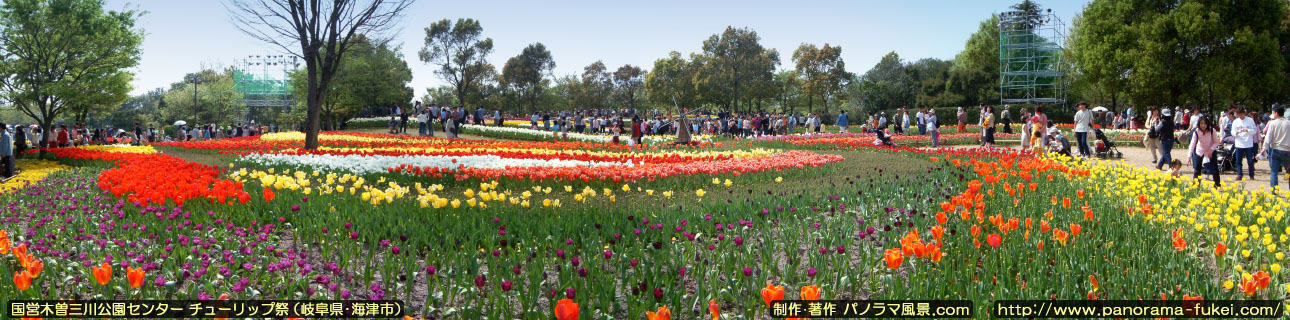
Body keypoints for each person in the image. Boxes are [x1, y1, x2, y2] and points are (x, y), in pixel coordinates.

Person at [1187, 116, 1221, 187]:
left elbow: (1216, 142)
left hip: (1210, 150)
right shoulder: (1196, 131)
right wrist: (1189, 156)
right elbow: (1192, 144)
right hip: (1200, 150)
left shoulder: (1212, 130)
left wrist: (1211, 149)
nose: (1203, 125)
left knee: (1215, 168)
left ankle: (1217, 185)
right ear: (1199, 124)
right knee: (1197, 168)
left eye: (1205, 124)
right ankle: (1196, 185)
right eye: (1201, 123)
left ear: (1208, 124)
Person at [1264, 105, 1290, 190]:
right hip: (1286, 150)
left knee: (1274, 172)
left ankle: (1274, 191)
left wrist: (1264, 148)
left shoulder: (1273, 123)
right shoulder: (1288, 123)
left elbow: (1268, 138)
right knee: (1289, 171)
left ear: (1276, 113)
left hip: (1275, 149)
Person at [1231, 108, 1258, 181]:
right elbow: (1232, 131)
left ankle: (1251, 175)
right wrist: (1235, 133)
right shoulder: (1235, 122)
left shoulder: (1250, 120)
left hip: (1248, 143)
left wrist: (1248, 130)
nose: (1240, 116)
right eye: (1238, 114)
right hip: (1239, 143)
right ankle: (1239, 174)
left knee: (1250, 160)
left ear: (1244, 113)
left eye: (1241, 114)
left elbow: (1254, 130)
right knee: (1238, 161)